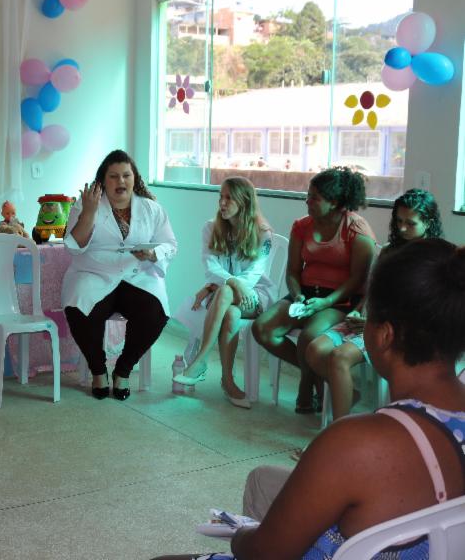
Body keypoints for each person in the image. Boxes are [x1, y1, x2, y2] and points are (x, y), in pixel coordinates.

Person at [154, 238, 465, 560]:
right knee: (263, 480)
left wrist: (241, 535)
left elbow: (265, 553)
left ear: (384, 334)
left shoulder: (357, 442)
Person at [304, 188, 443, 421]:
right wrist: (360, 312)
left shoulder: (433, 257)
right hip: (369, 319)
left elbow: (422, 307)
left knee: (339, 357)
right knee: (315, 350)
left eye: (411, 223)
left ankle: (340, 432)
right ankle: (349, 394)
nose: (402, 228)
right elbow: (373, 289)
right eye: (398, 221)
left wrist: (373, 322)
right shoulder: (390, 251)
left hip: (395, 328)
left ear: (428, 223)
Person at [252, 167, 376, 414]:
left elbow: (357, 279)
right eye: (307, 195)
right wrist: (297, 294)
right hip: (305, 293)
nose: (307, 201)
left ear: (335, 202)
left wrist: (325, 302)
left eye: (314, 198)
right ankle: (315, 380)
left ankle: (305, 388)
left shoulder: (357, 230)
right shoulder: (301, 226)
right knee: (262, 328)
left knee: (309, 336)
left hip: (340, 299)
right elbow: (293, 271)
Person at [62, 149, 178, 401]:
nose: (121, 181)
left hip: (137, 275)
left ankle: (123, 370)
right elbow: (73, 245)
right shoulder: (85, 204)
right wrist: (89, 213)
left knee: (155, 312)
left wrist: (153, 253)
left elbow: (170, 244)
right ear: (103, 180)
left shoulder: (151, 209)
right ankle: (98, 370)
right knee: (78, 309)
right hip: (94, 273)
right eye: (113, 176)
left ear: (134, 178)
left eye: (126, 175)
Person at [172, 177, 277, 409]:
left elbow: (255, 274)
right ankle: (228, 381)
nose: (222, 202)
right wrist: (229, 284)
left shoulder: (263, 233)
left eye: (229, 197)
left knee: (227, 292)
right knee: (230, 313)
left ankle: (200, 360)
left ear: (244, 201)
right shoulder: (211, 227)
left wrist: (230, 284)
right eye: (221, 196)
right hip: (226, 296)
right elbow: (210, 266)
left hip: (255, 295)